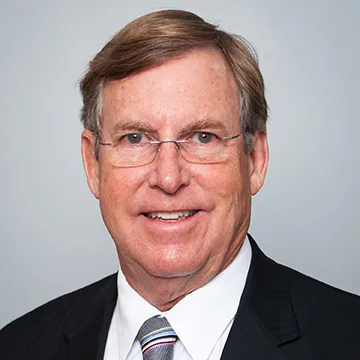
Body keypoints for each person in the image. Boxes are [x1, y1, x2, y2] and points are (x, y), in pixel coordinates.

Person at [1, 9, 359, 360]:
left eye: (203, 137)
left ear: (255, 159)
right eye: (135, 138)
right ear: (93, 164)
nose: (169, 178)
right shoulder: (18, 346)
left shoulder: (347, 338)